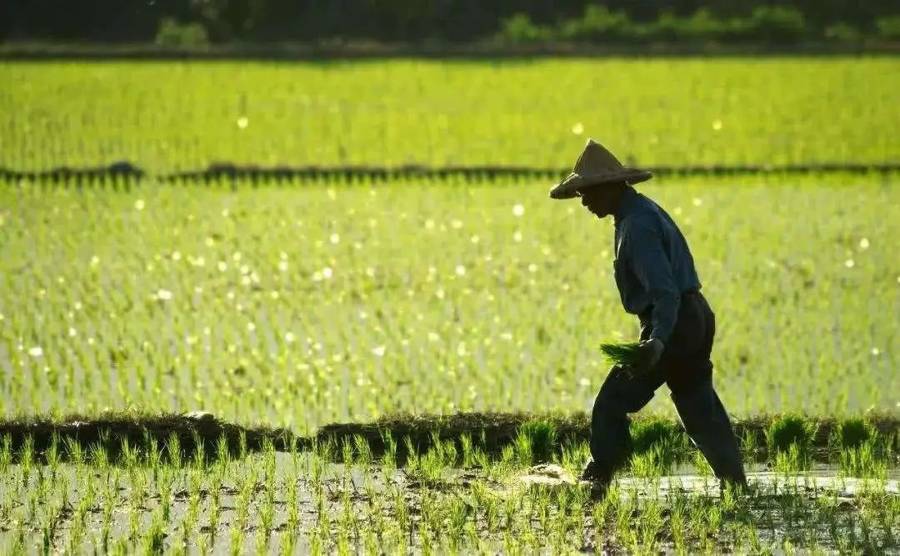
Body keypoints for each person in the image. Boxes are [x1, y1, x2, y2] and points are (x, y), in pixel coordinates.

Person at [549, 138, 747, 494]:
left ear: (610, 187)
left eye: (589, 193)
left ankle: (598, 478)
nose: (585, 202)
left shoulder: (637, 228)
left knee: (612, 400)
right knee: (697, 402)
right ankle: (735, 482)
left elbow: (664, 291)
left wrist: (657, 340)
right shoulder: (638, 213)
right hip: (695, 317)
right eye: (580, 195)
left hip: (673, 323)